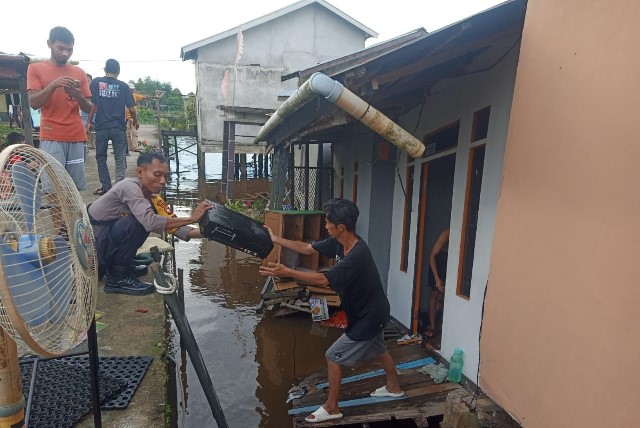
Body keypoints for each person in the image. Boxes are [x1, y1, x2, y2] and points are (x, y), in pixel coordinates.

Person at [259, 198, 403, 423]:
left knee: (333, 356)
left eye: (328, 223)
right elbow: (306, 248)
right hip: (368, 310)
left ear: (341, 227)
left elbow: (324, 280)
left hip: (371, 314)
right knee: (379, 346)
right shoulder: (339, 243)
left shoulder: (357, 254)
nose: (325, 226)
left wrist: (288, 271)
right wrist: (275, 239)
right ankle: (394, 387)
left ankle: (332, 407)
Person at [88, 152, 212, 295]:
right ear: (140, 172)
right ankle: (117, 278)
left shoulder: (154, 197)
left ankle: (123, 267)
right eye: (157, 174)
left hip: (106, 245)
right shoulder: (129, 187)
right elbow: (151, 223)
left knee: (142, 221)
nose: (163, 181)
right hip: (93, 253)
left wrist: (209, 233)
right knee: (137, 224)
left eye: (166, 176)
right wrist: (192, 218)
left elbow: (176, 227)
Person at [27, 26, 92, 191]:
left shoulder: (79, 72)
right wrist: (54, 85)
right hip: (51, 135)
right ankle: (59, 219)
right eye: (60, 48)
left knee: (74, 191)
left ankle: (74, 219)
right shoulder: (35, 69)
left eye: (69, 50)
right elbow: (34, 102)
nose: (65, 53)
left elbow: (89, 108)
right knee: (53, 190)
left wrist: (78, 94)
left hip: (76, 136)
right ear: (49, 44)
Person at [87, 59, 136, 196]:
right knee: (120, 158)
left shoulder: (96, 83)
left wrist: (89, 122)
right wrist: (136, 120)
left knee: (101, 157)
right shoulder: (124, 86)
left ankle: (106, 187)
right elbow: (131, 109)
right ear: (118, 71)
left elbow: (93, 105)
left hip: (101, 126)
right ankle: (118, 189)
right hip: (118, 127)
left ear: (105, 69)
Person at [425, 228, 449, 338]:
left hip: (452, 263)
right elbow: (432, 255)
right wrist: (437, 278)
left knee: (446, 295)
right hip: (438, 264)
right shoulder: (447, 233)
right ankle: (433, 326)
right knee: (435, 293)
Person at [126, 83, 156, 152]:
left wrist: (153, 97)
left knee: (134, 133)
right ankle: (129, 147)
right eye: (131, 89)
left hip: (133, 117)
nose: (132, 91)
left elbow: (144, 97)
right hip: (125, 118)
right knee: (126, 134)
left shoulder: (135, 96)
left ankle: (134, 147)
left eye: (133, 89)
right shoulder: (123, 96)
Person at [80, 73, 96, 150]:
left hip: (94, 114)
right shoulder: (80, 91)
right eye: (85, 80)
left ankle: (93, 145)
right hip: (84, 115)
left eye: (88, 80)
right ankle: (86, 147)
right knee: (85, 130)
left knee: (93, 131)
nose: (87, 82)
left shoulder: (94, 91)